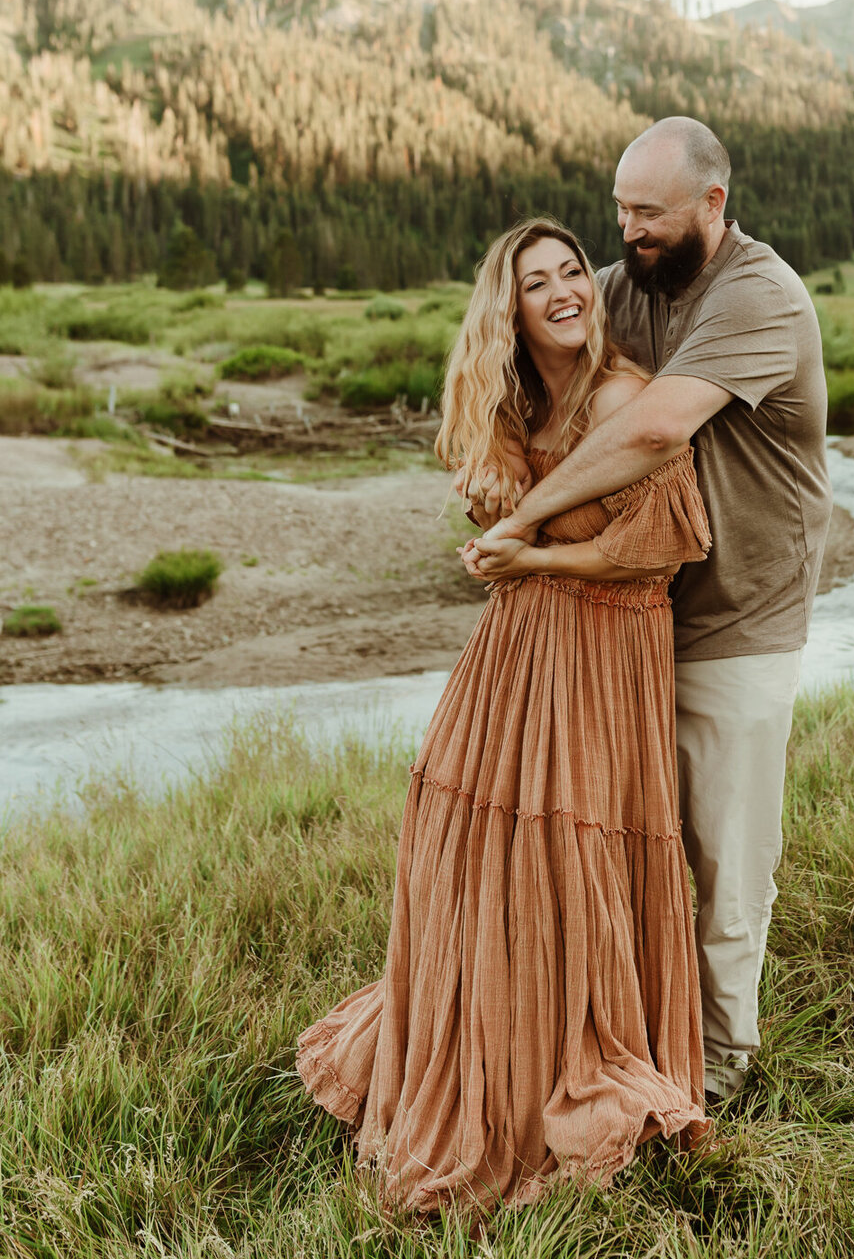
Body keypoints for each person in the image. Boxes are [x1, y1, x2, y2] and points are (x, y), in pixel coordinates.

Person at [295, 217, 712, 1213]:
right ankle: (480, 1051)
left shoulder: (623, 396)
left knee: (566, 857)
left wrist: (533, 555)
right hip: (515, 651)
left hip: (604, 651)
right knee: (464, 841)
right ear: (510, 308)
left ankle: (560, 1076)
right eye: (540, 282)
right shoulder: (514, 403)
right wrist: (506, 538)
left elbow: (665, 546)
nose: (567, 290)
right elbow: (494, 524)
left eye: (575, 270)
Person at [469, 118, 831, 1102]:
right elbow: (555, 340)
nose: (623, 231)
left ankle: (726, 1067)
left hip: (739, 615)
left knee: (726, 852)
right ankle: (635, 1040)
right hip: (626, 624)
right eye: (619, 210)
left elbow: (660, 422)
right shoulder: (630, 284)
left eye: (647, 213)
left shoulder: (759, 294)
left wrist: (529, 529)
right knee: (626, 847)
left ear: (711, 204)